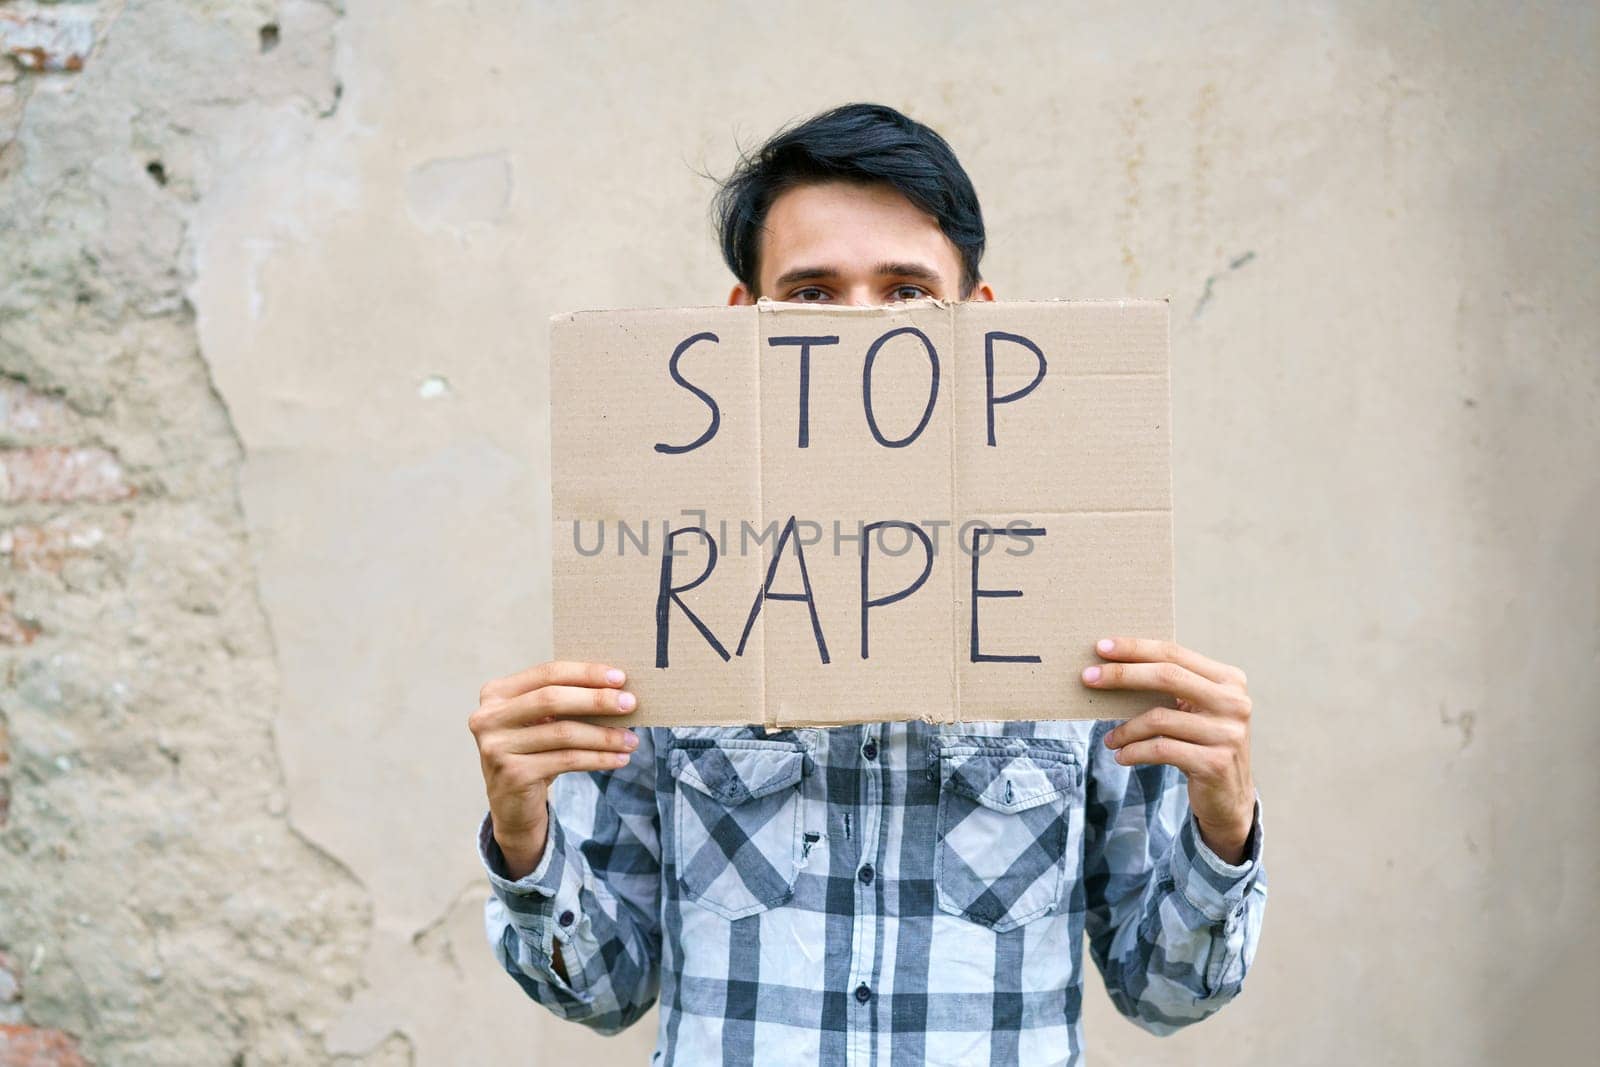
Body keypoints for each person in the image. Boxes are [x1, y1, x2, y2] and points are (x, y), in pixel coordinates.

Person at [469, 103, 1265, 1066]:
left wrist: (1223, 829)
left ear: (977, 321)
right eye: (810, 294)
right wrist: (523, 836)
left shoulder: (1073, 604)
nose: (861, 334)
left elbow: (1165, 993)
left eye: (905, 292)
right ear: (739, 327)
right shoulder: (673, 591)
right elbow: (603, 991)